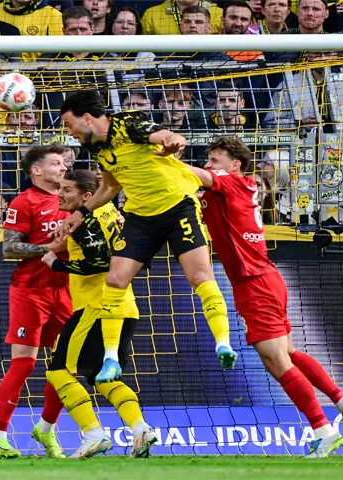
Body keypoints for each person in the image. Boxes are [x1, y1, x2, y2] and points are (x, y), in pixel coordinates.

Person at [188, 136, 343, 458]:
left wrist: (155, 160)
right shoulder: (235, 189)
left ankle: (323, 430)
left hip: (255, 284)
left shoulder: (229, 182)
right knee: (288, 352)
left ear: (234, 165)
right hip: (267, 278)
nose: (208, 166)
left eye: (214, 161)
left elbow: (198, 179)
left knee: (275, 360)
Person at [56, 90, 238, 383]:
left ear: (87, 118)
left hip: (177, 206)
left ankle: (223, 343)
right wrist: (81, 213)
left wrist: (173, 141)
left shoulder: (128, 124)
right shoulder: (97, 148)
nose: (69, 132)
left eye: (69, 124)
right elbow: (111, 187)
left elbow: (165, 135)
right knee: (115, 280)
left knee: (200, 276)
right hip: (141, 216)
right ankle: (112, 359)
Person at [40, 169, 158, 458]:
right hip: (125, 306)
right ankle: (141, 429)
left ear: (87, 196)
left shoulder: (84, 220)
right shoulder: (111, 211)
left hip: (96, 307)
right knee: (104, 378)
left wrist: (56, 264)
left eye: (68, 189)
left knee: (58, 370)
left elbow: (99, 262)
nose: (61, 194)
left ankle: (94, 434)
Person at [0, 144, 71, 459]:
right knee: (24, 364)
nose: (63, 168)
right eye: (57, 163)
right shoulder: (24, 202)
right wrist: (50, 246)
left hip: (67, 289)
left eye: (64, 164)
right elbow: (10, 249)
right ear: (37, 170)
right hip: (31, 290)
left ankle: (46, 430)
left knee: (68, 366)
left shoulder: (73, 199)